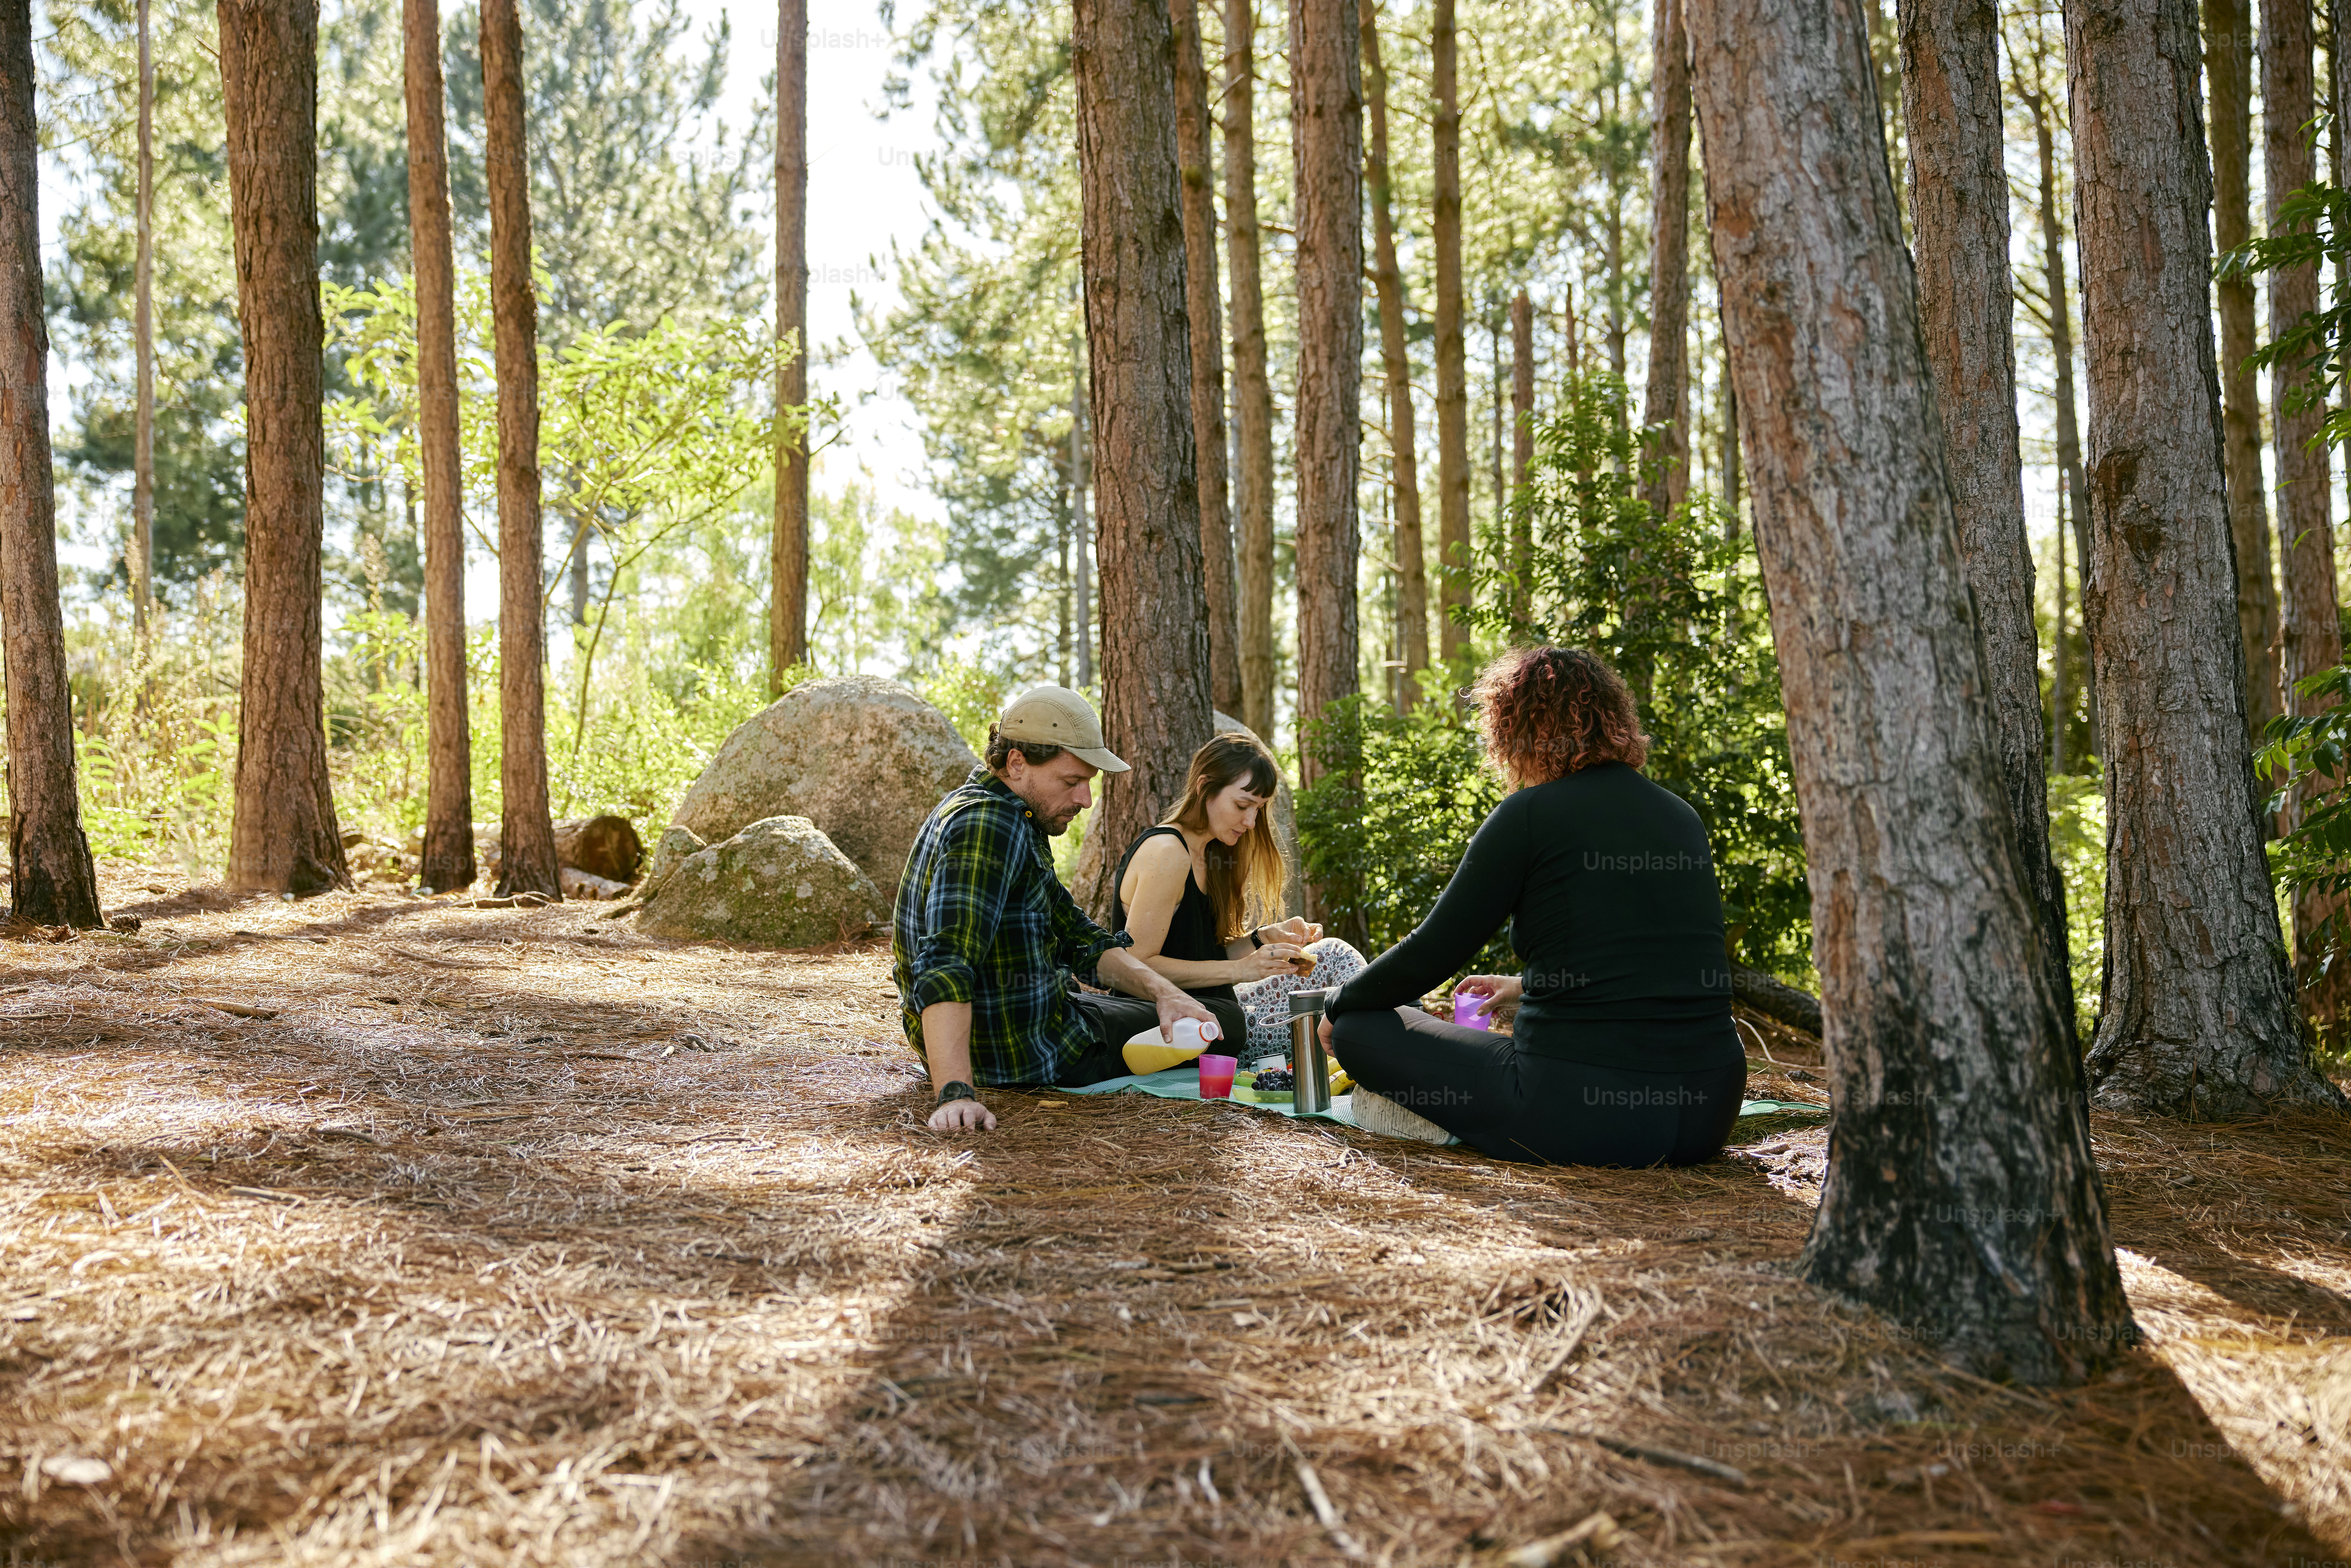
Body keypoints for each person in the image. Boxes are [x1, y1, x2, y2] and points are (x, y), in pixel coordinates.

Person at [1317, 646, 1746, 1166]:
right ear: (1612, 720)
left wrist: (1337, 1003)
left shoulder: (1529, 815)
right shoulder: (1682, 817)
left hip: (1579, 1115)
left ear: (1515, 731)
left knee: (1361, 1030)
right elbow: (1654, 960)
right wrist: (1525, 987)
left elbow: (1430, 954)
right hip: (1709, 1112)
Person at [894, 685, 1220, 1133]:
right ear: (1016, 762)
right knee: (1229, 1021)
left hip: (1025, 1026)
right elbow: (947, 961)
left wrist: (1166, 993)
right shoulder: (988, 827)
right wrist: (955, 1093)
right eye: (1072, 782)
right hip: (1030, 1050)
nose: (1086, 800)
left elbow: (1076, 935)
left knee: (1190, 1007)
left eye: (1088, 783)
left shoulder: (1007, 813)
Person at [1112, 732, 1366, 1063]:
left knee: (1333, 954)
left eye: (1258, 809)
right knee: (1334, 1012)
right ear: (1204, 787)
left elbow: (1205, 951)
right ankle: (1387, 1036)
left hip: (1221, 1002)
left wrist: (1262, 939)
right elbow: (1138, 964)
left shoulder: (1213, 852)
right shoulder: (1167, 853)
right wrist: (1242, 970)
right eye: (1242, 805)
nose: (1250, 821)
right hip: (1185, 1021)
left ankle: (1384, 1027)